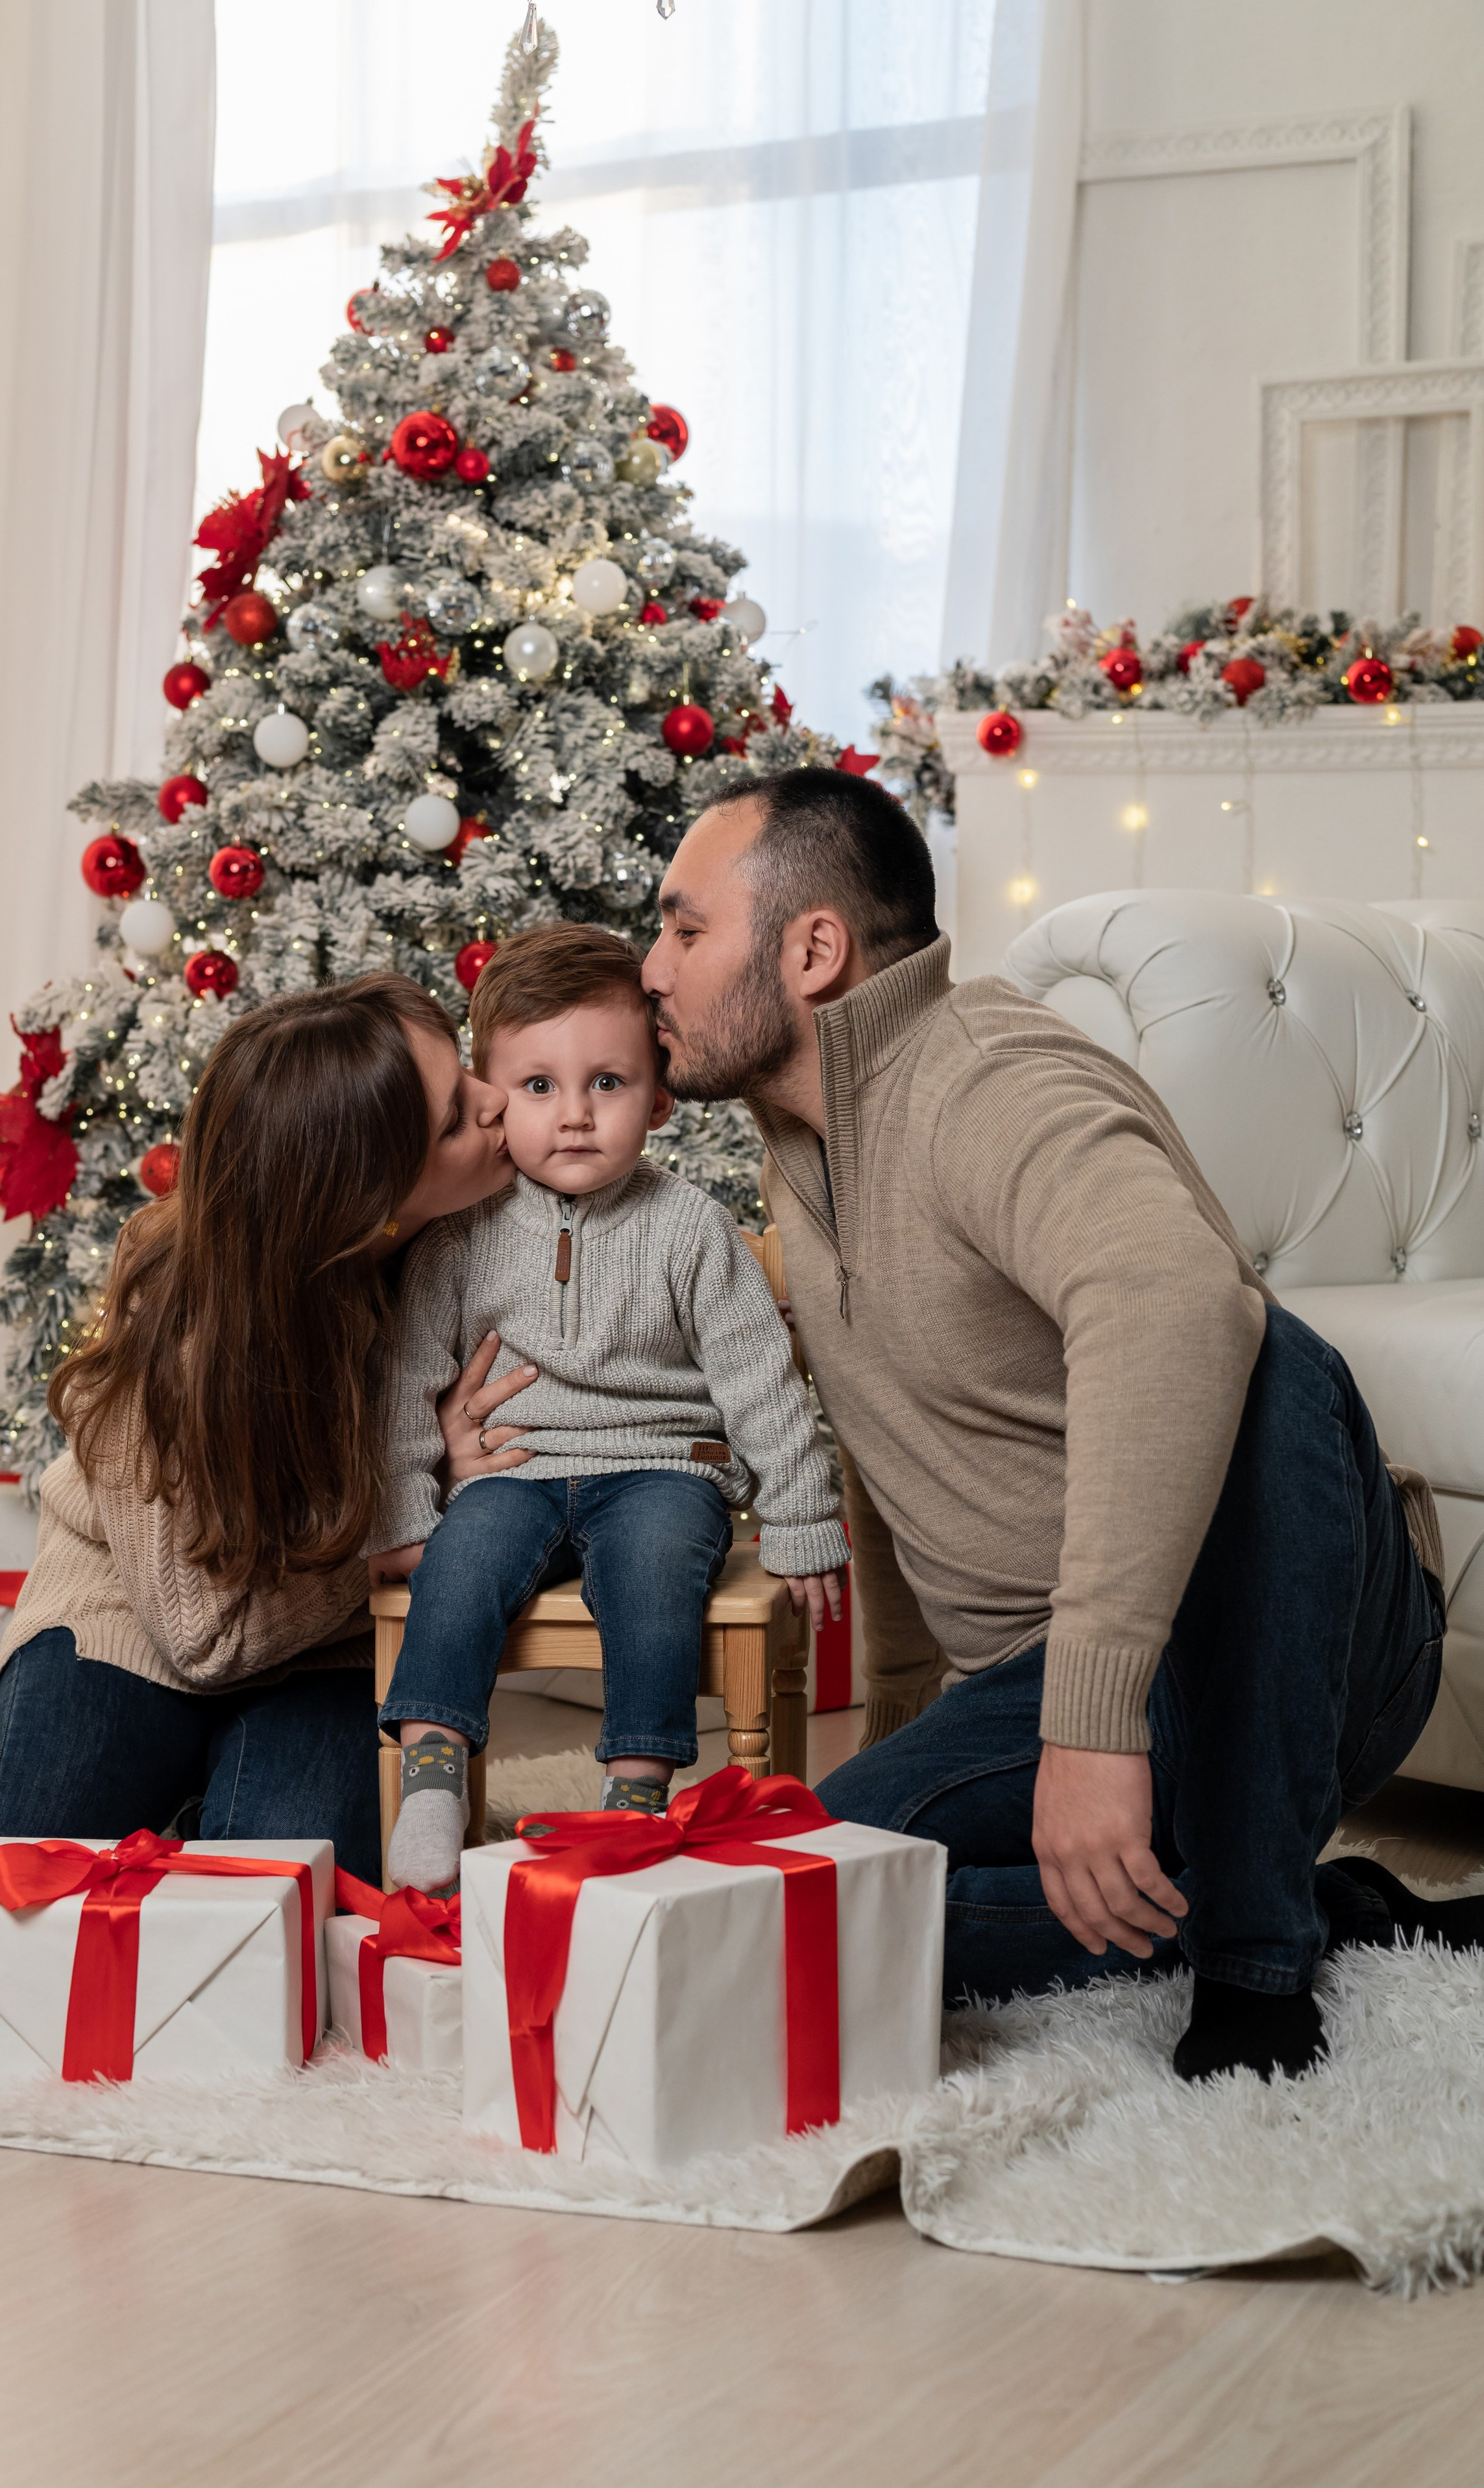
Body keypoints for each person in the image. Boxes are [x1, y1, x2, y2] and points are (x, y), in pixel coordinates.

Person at [631, 764, 1474, 2084]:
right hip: (1029, 1686)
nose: (651, 967)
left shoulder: (986, 1078)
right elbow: (895, 1444)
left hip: (1264, 1641)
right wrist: (915, 1727)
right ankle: (1322, 1910)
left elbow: (1174, 1304)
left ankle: (1257, 1958)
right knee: (773, 1888)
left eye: (683, 929)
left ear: (810, 950)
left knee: (1262, 1354)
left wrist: (1092, 1729)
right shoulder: (799, 1147)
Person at [0, 972, 526, 1908]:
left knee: (262, 1905)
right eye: (458, 1117)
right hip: (137, 1626)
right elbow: (200, 1637)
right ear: (366, 1201)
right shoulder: (184, 1310)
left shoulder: (475, 1244)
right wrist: (404, 1514)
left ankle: (190, 1805)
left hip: (327, 1649)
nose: (499, 1099)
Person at [368, 923, 850, 1895]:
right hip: (514, 1465)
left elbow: (760, 1377)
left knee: (655, 1572)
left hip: (661, 1470)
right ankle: (432, 1770)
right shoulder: (460, 1234)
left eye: (608, 1083)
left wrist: (802, 1513)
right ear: (495, 1099)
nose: (576, 1115)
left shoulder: (689, 1228)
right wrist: (405, 1516)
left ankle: (636, 1787)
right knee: (458, 1566)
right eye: (540, 1087)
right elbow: (407, 1379)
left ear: (659, 1097)